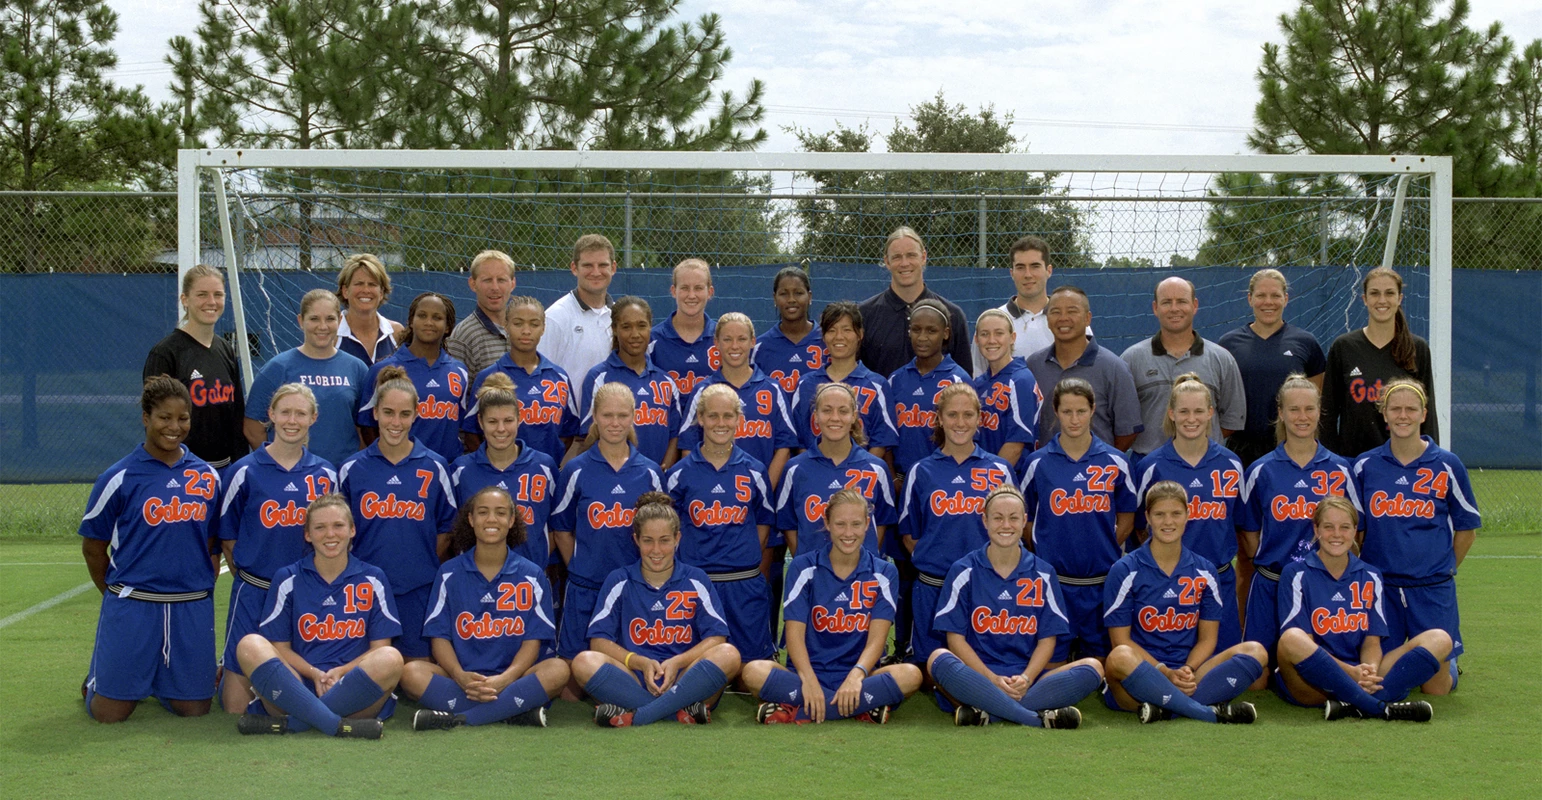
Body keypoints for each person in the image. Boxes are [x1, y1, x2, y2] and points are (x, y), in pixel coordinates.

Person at [80, 376, 220, 723]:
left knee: (195, 710)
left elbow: (214, 541)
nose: (174, 427)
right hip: (135, 603)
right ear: (146, 418)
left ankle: (160, 678)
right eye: (164, 417)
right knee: (109, 714)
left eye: (182, 418)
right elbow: (93, 548)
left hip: (189, 604)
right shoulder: (120, 477)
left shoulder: (207, 477)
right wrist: (116, 596)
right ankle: (98, 679)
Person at [744, 490, 924, 724]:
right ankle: (861, 707)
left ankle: (798, 710)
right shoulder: (803, 567)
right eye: (840, 524)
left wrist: (856, 675)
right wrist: (808, 680)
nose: (848, 533)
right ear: (827, 523)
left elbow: (877, 640)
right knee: (752, 671)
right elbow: (794, 635)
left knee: (911, 675)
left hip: (860, 676)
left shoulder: (884, 572)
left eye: (856, 524)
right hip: (807, 674)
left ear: (868, 524)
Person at [926, 485, 1097, 728]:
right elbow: (955, 639)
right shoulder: (963, 571)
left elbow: (1048, 640)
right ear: (984, 520)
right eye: (998, 518)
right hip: (978, 676)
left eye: (1013, 518)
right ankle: (1035, 718)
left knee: (1093, 667)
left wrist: (1026, 678)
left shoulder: (1044, 573)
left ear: (1025, 520)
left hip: (1027, 680)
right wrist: (991, 679)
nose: (1006, 525)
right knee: (938, 658)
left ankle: (988, 711)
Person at [233, 494, 403, 738]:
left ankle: (293, 723)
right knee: (249, 645)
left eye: (338, 526)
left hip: (353, 690)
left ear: (352, 530)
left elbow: (380, 648)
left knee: (391, 658)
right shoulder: (288, 578)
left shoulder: (373, 578)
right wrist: (314, 673)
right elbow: (280, 648)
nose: (330, 534)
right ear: (307, 535)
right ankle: (334, 725)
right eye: (320, 527)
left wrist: (341, 672)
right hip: (297, 686)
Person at [402, 486, 569, 730]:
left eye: (501, 513)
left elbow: (533, 642)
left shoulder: (532, 575)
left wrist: (506, 678)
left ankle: (461, 718)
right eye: (483, 512)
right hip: (463, 680)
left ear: (512, 520)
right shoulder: (449, 572)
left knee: (558, 669)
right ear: (470, 519)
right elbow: (439, 637)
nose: (491, 519)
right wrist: (459, 675)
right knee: (410, 673)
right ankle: (512, 711)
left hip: (513, 679)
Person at [217, 383, 339, 713]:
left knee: (299, 683)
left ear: (313, 418)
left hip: (304, 594)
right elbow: (228, 537)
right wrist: (249, 572)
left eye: (301, 413)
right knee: (235, 707)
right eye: (285, 412)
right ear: (271, 415)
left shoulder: (326, 474)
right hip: (254, 589)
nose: (292, 420)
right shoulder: (242, 471)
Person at [571, 493, 743, 726]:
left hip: (685, 677)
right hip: (633, 678)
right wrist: (639, 662)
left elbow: (717, 637)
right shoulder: (619, 580)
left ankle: (639, 714)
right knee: (583, 662)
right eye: (648, 540)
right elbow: (599, 642)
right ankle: (679, 711)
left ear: (677, 539)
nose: (656, 550)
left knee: (729, 654)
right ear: (636, 540)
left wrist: (678, 662)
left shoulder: (696, 579)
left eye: (664, 540)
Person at [1102, 481, 1266, 724]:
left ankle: (1166, 708)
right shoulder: (1125, 570)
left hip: (1190, 673)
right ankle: (1207, 712)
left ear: (1188, 515)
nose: (1168, 522)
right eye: (1160, 514)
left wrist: (1188, 669)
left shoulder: (1205, 571)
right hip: (1144, 670)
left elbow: (1208, 639)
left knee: (1256, 651)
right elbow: (1120, 640)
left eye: (1176, 514)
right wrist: (1164, 672)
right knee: (1120, 656)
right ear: (1147, 517)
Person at [1352, 378, 1479, 684]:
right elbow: (1356, 532)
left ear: (1424, 413)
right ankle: (1417, 652)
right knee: (1379, 676)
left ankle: (1443, 659)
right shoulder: (1364, 465)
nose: (1403, 415)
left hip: (1432, 588)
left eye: (1411, 409)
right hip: (1383, 589)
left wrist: (1444, 568)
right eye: (1395, 408)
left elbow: (1467, 529)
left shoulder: (1447, 464)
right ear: (1384, 414)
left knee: (1437, 689)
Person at [1274, 496, 1442, 722]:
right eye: (1328, 527)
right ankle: (1379, 707)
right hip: (1315, 683)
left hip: (1358, 674)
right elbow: (1305, 643)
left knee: (1439, 639)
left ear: (1355, 531)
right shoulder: (1296, 574)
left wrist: (1368, 671)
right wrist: (1350, 673)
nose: (1336, 534)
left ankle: (1353, 704)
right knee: (1291, 638)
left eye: (1344, 527)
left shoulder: (1370, 575)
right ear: (1316, 529)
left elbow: (1372, 642)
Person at [337, 367, 458, 661]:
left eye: (404, 414)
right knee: (367, 672)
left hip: (418, 588)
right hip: (364, 589)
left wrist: (421, 565)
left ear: (416, 414)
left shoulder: (435, 466)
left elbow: (447, 529)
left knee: (415, 673)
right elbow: (338, 532)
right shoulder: (352, 469)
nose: (396, 422)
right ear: (375, 412)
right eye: (388, 412)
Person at [1237, 374, 1357, 670]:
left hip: (1321, 587)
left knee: (1315, 669)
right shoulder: (1261, 470)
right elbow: (1249, 535)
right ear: (1280, 413)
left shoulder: (1341, 469)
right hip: (1272, 583)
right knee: (1258, 676)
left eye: (1309, 409)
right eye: (1293, 409)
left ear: (1319, 412)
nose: (1302, 417)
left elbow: (1357, 533)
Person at [1017, 378, 1139, 663]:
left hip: (1101, 581)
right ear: (1056, 412)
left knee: (1103, 665)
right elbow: (1023, 516)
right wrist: (1041, 545)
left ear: (1093, 410)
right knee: (1051, 667)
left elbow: (1128, 516)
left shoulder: (1116, 461)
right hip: (1054, 583)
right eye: (1067, 411)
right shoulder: (1037, 463)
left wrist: (1106, 544)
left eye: (1081, 411)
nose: (1074, 419)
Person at [548, 383, 666, 661]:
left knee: (630, 668)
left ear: (634, 416)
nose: (615, 423)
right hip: (586, 587)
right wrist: (578, 567)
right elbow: (562, 528)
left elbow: (662, 531)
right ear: (595, 417)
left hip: (634, 588)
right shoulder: (576, 470)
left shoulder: (649, 472)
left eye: (622, 415)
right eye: (607, 415)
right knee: (572, 681)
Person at [898, 383, 1013, 665]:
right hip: (933, 587)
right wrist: (937, 562)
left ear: (979, 418)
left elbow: (1013, 529)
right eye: (952, 415)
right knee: (930, 671)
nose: (960, 423)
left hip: (984, 588)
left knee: (984, 667)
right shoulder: (921, 471)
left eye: (967, 415)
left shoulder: (999, 470)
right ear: (939, 418)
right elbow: (909, 534)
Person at [1131, 374, 1248, 651]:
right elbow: (1139, 527)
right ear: (1171, 413)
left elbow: (1241, 525)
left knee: (1227, 667)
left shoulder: (1231, 464)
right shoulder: (1151, 466)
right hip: (1165, 584)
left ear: (1210, 413)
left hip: (1219, 578)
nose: (1191, 418)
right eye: (1183, 411)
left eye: (1198, 411)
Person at [665, 384, 777, 663]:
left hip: (743, 582)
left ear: (739, 420)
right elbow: (668, 526)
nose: (720, 423)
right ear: (700, 419)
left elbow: (763, 521)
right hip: (697, 584)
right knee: (695, 667)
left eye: (728, 416)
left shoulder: (754, 470)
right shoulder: (679, 474)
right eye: (712, 416)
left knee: (749, 669)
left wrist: (745, 556)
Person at [1120, 276, 1246, 461]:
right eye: (1166, 302)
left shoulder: (1222, 359)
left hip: (1207, 464)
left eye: (1181, 301)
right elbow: (1124, 421)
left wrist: (1194, 444)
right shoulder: (1132, 359)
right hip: (1148, 464)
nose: (1174, 308)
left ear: (1195, 305)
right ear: (1155, 308)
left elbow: (1231, 420)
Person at [1322, 267, 1439, 458]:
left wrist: (1430, 459)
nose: (1382, 300)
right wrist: (1331, 461)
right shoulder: (1344, 347)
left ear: (1399, 298)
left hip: (1403, 463)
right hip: (1353, 462)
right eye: (1374, 293)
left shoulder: (1417, 348)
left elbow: (1428, 413)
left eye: (1389, 293)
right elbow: (1327, 413)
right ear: (1364, 299)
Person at [244, 289, 370, 466]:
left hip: (340, 477)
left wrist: (351, 467)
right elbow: (253, 428)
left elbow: (363, 428)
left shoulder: (357, 368)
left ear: (340, 321)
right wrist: (278, 466)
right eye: (314, 319)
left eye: (330, 319)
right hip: (292, 478)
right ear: (300, 321)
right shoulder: (278, 367)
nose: (322, 326)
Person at [1217, 269, 1327, 466]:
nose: (1268, 302)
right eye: (1261, 295)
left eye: (1275, 295)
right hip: (1242, 451)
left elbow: (1315, 400)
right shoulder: (1228, 344)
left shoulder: (1306, 343)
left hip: (1291, 449)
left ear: (1285, 299)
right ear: (1250, 299)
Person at [143, 264, 247, 471]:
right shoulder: (166, 353)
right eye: (202, 294)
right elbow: (156, 421)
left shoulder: (225, 349)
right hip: (181, 470)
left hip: (225, 469)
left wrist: (239, 467)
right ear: (185, 300)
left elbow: (236, 416)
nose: (211, 302)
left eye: (218, 295)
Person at [449, 372, 559, 567]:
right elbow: (452, 531)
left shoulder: (544, 466)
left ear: (519, 419)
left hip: (529, 582)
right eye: (492, 422)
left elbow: (555, 529)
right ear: (480, 422)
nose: (501, 429)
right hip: (475, 580)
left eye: (508, 420)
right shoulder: (461, 470)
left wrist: (536, 564)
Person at [777, 382, 896, 557]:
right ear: (815, 416)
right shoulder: (795, 469)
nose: (835, 418)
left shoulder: (876, 468)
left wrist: (863, 564)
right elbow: (789, 526)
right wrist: (809, 567)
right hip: (814, 577)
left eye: (843, 411)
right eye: (827, 410)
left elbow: (882, 524)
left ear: (854, 416)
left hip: (861, 578)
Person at [678, 312, 797, 486]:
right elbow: (688, 446)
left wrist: (762, 490)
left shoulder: (772, 389)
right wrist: (704, 488)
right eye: (727, 339)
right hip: (710, 496)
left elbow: (784, 448)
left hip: (757, 493)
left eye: (741, 339)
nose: (735, 346)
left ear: (753, 342)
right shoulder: (703, 391)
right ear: (716, 343)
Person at [460, 295, 577, 464]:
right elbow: (472, 433)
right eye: (518, 323)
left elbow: (568, 432)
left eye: (534, 324)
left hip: (544, 477)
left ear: (543, 328)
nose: (526, 331)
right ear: (506, 325)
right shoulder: (489, 377)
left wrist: (548, 464)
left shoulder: (559, 377)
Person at [1024, 286, 1141, 450]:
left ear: (1088, 318)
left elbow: (1128, 431)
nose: (1063, 318)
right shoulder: (1033, 365)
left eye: (1072, 311)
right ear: (1048, 319)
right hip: (1047, 471)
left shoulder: (1114, 367)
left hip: (1097, 472)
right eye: (1056, 312)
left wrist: (1097, 460)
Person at [571, 296, 682, 468]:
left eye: (641, 326)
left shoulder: (666, 382)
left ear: (650, 327)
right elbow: (588, 436)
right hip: (612, 478)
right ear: (614, 329)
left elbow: (674, 435)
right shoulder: (598, 378)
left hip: (656, 483)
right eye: (626, 327)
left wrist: (662, 471)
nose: (635, 334)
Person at [357, 292, 469, 462]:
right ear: (410, 321)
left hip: (448, 470)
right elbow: (367, 424)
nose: (429, 322)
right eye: (422, 315)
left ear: (448, 327)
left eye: (437, 317)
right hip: (400, 468)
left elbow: (461, 424)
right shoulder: (384, 370)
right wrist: (388, 461)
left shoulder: (459, 372)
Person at [788, 302, 899, 459]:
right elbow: (799, 441)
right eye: (832, 330)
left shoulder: (877, 385)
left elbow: (881, 442)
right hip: (815, 478)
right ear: (824, 336)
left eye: (847, 330)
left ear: (860, 334)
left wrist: (858, 471)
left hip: (859, 478)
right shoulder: (805, 385)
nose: (839, 337)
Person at [858, 227, 972, 376]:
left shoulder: (952, 315)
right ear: (887, 261)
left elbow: (965, 382)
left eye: (911, 255)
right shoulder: (864, 315)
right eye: (897, 257)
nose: (904, 263)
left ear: (923, 257)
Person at [887, 298, 973, 477]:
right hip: (901, 479)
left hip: (943, 477)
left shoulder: (958, 380)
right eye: (916, 329)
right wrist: (893, 477)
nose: (922, 337)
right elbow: (885, 434)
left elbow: (968, 437)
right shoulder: (895, 379)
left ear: (946, 333)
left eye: (931, 330)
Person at [968, 235, 1058, 377]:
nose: (1028, 274)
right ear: (1012, 273)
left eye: (1035, 266)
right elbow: (978, 380)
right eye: (1020, 267)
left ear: (1049, 270)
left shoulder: (1069, 321)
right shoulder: (992, 323)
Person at [971, 308, 1042, 473]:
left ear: (1012, 338)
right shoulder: (978, 384)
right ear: (976, 339)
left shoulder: (1020, 380)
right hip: (981, 476)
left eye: (999, 333)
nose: (991, 340)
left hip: (1011, 481)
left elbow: (1016, 445)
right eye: (984, 334)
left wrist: (989, 480)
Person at [543, 234, 617, 389]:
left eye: (603, 265)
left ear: (613, 268)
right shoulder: (555, 317)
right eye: (588, 265)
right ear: (574, 268)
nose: (596, 272)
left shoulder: (619, 316)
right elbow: (541, 377)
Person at [650, 258, 717, 398]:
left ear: (710, 292)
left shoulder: (723, 338)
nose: (691, 295)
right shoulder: (652, 340)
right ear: (674, 291)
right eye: (685, 288)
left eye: (698, 288)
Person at [753, 266, 826, 396]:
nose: (791, 299)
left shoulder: (828, 342)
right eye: (784, 294)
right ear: (775, 298)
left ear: (809, 297)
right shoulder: (759, 348)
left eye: (798, 293)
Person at [445, 250, 517, 377]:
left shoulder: (523, 330)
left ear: (512, 284)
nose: (495, 288)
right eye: (487, 280)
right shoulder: (464, 336)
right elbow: (457, 392)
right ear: (473, 284)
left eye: (501, 280)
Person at [335, 253, 403, 366]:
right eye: (359, 284)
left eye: (372, 284)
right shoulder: (332, 333)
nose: (366, 290)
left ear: (381, 293)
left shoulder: (396, 333)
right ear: (345, 291)